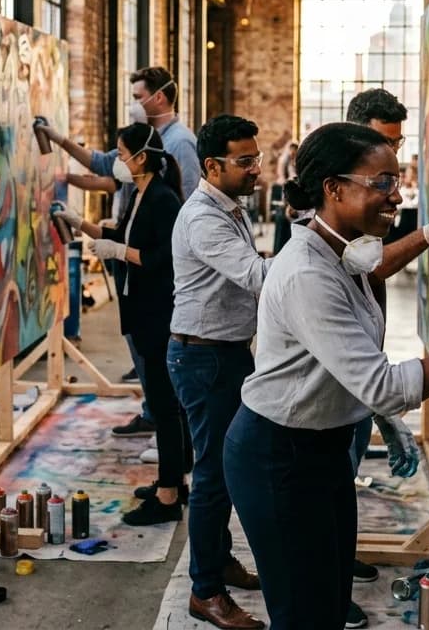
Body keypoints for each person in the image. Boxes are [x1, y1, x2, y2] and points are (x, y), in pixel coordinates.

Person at [222, 123, 429, 630]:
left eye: (395, 180)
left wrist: (370, 413)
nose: (395, 194)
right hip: (279, 457)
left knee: (330, 601)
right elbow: (385, 384)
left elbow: (358, 325)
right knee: (303, 614)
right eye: (381, 182)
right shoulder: (308, 274)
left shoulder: (344, 252)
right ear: (334, 189)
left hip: (322, 446)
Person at [341, 88, 429, 623]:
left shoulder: (373, 188)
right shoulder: (328, 192)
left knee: (343, 470)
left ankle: (338, 557)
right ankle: (322, 585)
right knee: (325, 481)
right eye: (381, 144)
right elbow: (367, 268)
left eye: (398, 146)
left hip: (359, 353)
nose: (391, 161)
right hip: (336, 364)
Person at [37, 66, 200, 439]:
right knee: (141, 348)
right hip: (132, 256)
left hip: (152, 263)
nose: (134, 104)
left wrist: (124, 247)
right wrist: (60, 148)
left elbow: (181, 217)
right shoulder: (141, 146)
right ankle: (155, 414)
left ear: (159, 97)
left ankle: (166, 423)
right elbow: (102, 166)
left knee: (157, 352)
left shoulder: (178, 147)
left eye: (138, 97)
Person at [53, 123, 188, 525]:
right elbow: (118, 234)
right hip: (141, 307)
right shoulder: (139, 194)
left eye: (122, 155)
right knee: (166, 403)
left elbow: (161, 257)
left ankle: (168, 497)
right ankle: (174, 481)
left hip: (157, 311)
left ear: (141, 158)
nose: (118, 162)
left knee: (165, 405)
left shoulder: (163, 199)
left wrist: (119, 251)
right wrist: (79, 224)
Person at [167, 115, 270, 630]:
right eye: (245, 161)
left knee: (226, 466)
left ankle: (218, 561)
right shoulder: (204, 218)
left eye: (257, 157)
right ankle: (205, 591)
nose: (257, 168)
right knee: (211, 474)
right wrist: (325, 251)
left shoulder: (228, 208)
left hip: (224, 352)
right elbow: (256, 276)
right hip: (204, 358)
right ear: (212, 166)